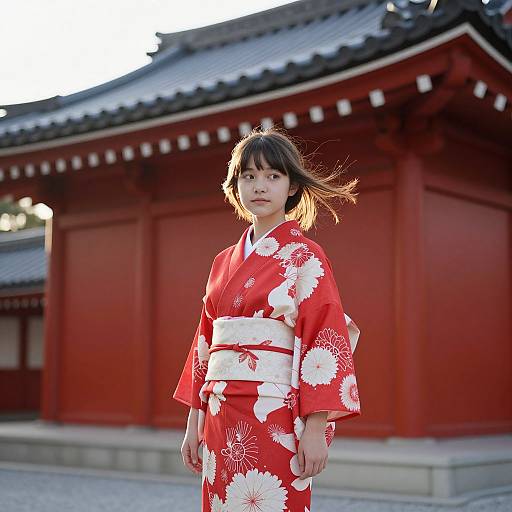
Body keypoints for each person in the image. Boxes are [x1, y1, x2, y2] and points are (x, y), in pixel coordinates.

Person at [173, 127, 362, 512]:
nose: (260, 186)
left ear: (292, 187)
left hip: (275, 411)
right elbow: (205, 344)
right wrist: (193, 423)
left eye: (273, 176)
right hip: (219, 410)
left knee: (270, 499)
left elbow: (324, 338)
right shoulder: (223, 262)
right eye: (249, 176)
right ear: (235, 186)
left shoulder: (305, 256)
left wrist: (314, 428)